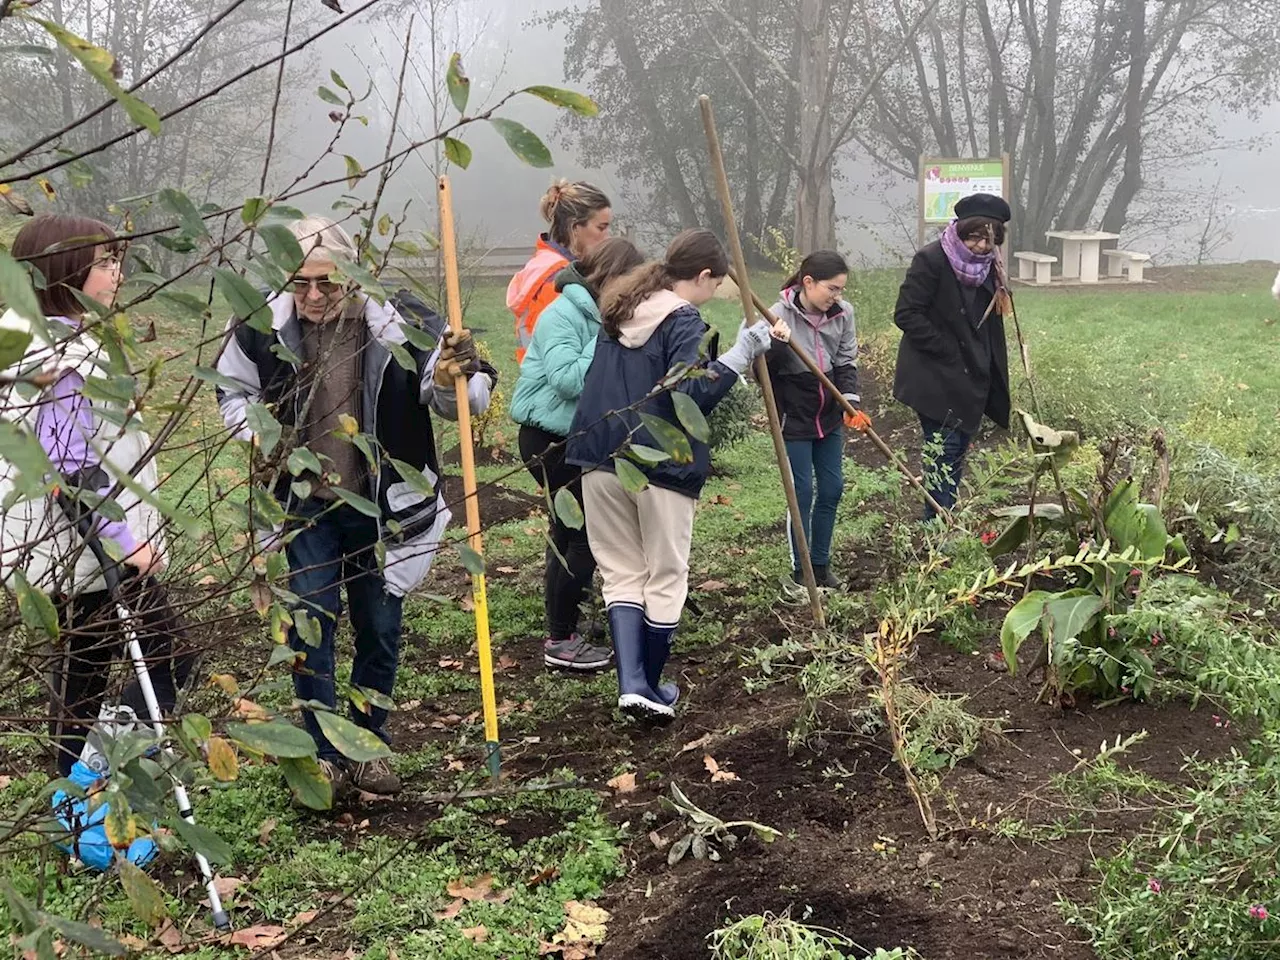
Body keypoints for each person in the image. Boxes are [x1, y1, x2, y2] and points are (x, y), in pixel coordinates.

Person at [215, 216, 495, 797]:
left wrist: (452, 377)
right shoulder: (260, 326)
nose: (313, 296)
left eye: (327, 283)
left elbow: (462, 402)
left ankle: (369, 745)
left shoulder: (405, 322)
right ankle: (322, 755)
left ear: (353, 273)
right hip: (302, 505)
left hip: (382, 507)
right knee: (308, 628)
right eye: (301, 283)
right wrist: (261, 434)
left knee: (379, 625)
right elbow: (231, 392)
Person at [566, 229, 790, 719]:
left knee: (622, 572)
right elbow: (688, 395)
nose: (715, 294)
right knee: (666, 572)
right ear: (704, 275)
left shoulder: (621, 311)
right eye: (718, 284)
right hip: (658, 461)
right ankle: (648, 685)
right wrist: (739, 355)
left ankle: (632, 685)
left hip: (599, 454)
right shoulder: (682, 318)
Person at [0, 213, 191, 778]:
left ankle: (75, 796)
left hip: (67, 547)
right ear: (66, 269)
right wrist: (126, 544)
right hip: (86, 547)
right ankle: (93, 776)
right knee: (170, 658)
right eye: (105, 262)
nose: (119, 273)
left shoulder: (40, 333)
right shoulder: (54, 352)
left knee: (81, 680)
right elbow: (69, 463)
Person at [510, 237, 646, 672]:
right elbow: (568, 380)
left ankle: (564, 629)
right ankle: (561, 639)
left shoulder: (592, 314)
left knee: (568, 533)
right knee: (584, 536)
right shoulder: (561, 314)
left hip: (578, 437)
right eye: (630, 285)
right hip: (548, 438)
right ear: (607, 279)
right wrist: (607, 334)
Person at [893, 194, 1011, 519]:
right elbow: (906, 314)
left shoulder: (992, 269)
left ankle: (945, 519)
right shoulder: (931, 260)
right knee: (942, 451)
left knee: (957, 451)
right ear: (961, 232)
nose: (982, 247)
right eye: (975, 237)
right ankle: (937, 528)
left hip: (972, 377)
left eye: (990, 240)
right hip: (934, 376)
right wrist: (946, 347)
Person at [765, 250, 859, 594]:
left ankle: (821, 565)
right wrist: (773, 345)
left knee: (832, 488)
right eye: (831, 289)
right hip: (794, 412)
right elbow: (761, 370)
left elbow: (847, 360)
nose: (837, 297)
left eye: (840, 290)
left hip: (829, 410)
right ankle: (800, 571)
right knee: (801, 492)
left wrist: (850, 402)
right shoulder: (775, 317)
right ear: (808, 282)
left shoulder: (843, 313)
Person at [508, 180, 612, 364]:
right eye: (601, 228)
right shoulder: (558, 281)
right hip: (553, 384)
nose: (608, 236)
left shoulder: (544, 264)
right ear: (575, 228)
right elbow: (563, 361)